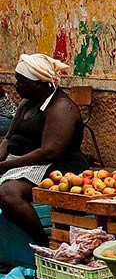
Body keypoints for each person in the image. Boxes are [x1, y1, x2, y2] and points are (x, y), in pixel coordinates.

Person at [0, 54, 87, 246]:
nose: (16, 85)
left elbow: (49, 152)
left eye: (21, 82)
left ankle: (43, 243)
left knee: (8, 193)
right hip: (23, 161)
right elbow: (8, 139)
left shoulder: (61, 107)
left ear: (40, 84)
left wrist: (6, 166)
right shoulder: (27, 103)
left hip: (54, 165)